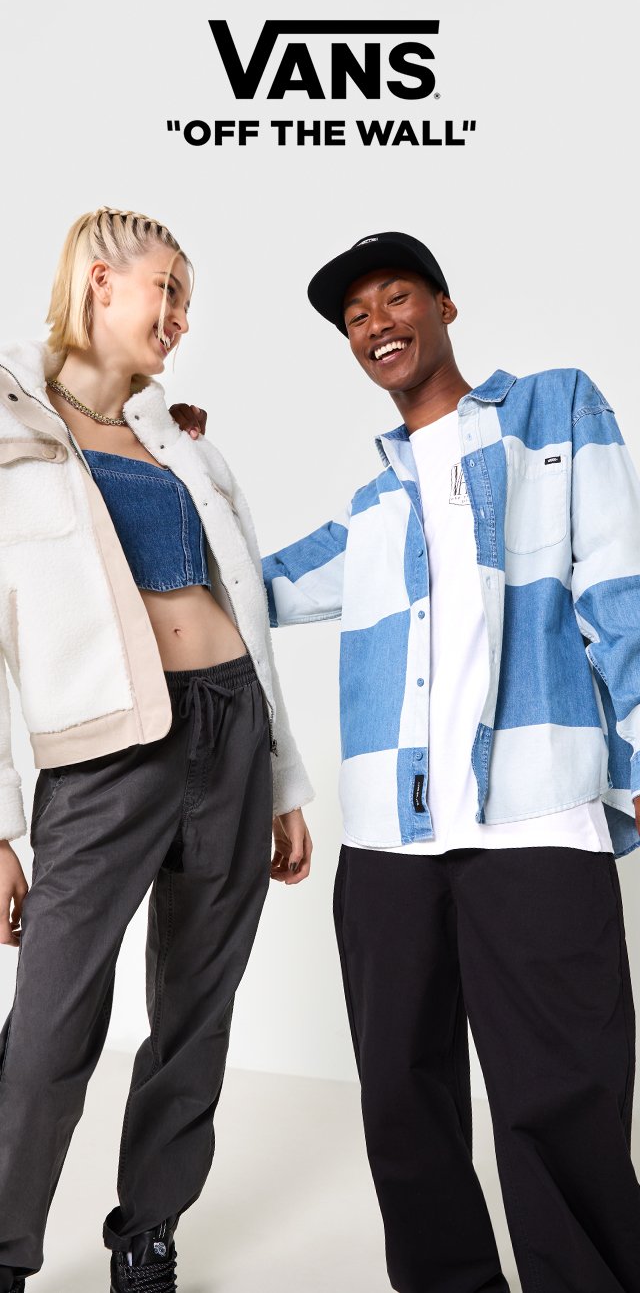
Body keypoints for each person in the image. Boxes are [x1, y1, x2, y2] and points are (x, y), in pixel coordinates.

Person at [262, 231, 640, 1293]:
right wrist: (178, 461)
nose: (376, 325)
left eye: (395, 299)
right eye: (356, 318)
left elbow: (619, 588)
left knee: (560, 1103)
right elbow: (249, 586)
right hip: (389, 843)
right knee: (402, 1105)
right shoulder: (371, 506)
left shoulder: (554, 410)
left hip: (537, 818)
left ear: (443, 305)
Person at [0, 207, 313, 1293]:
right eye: (166, 288)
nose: (179, 315)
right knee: (51, 1025)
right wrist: (1, 827)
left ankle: (149, 1230)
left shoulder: (180, 440)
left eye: (188, 298)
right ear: (99, 281)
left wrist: (280, 775)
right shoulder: (14, 428)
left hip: (232, 730)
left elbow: (247, 605)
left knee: (196, 1010)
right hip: (105, 750)